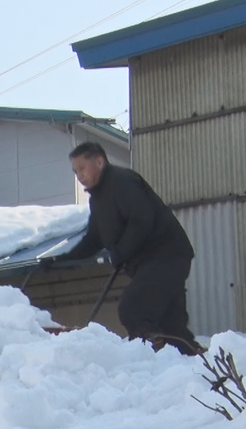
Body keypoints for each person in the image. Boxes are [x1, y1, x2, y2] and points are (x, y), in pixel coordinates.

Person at [43, 142, 201, 355]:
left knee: (133, 309)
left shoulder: (122, 181)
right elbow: (94, 239)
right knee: (172, 324)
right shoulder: (98, 199)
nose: (79, 175)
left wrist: (121, 252)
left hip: (166, 255)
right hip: (151, 262)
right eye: (75, 171)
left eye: (82, 168)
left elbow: (142, 219)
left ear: (99, 161)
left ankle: (152, 354)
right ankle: (198, 364)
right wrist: (61, 261)